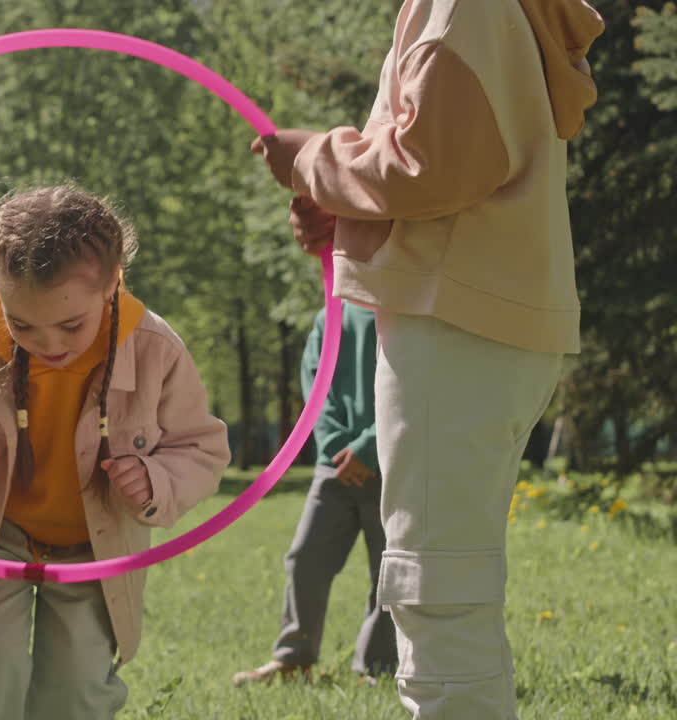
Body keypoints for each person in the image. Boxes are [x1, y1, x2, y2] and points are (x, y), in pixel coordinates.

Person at [250, 0, 604, 717]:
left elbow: (434, 165)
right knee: (449, 582)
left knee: (435, 590)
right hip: (485, 315)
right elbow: (456, 156)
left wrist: (313, 158)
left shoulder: (464, 6)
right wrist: (343, 199)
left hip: (455, 320)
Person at [0, 184, 230, 719]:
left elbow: (200, 447)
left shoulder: (153, 350)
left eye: (70, 324)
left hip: (90, 545)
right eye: (23, 324)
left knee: (74, 685)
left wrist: (156, 480)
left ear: (112, 284)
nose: (48, 343)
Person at [232, 301, 396, 686]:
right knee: (306, 560)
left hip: (392, 464)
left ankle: (379, 667)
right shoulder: (331, 316)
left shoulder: (406, 309)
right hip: (334, 465)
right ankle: (294, 660)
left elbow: (414, 386)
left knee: (389, 572)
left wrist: (369, 447)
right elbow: (315, 385)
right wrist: (340, 446)